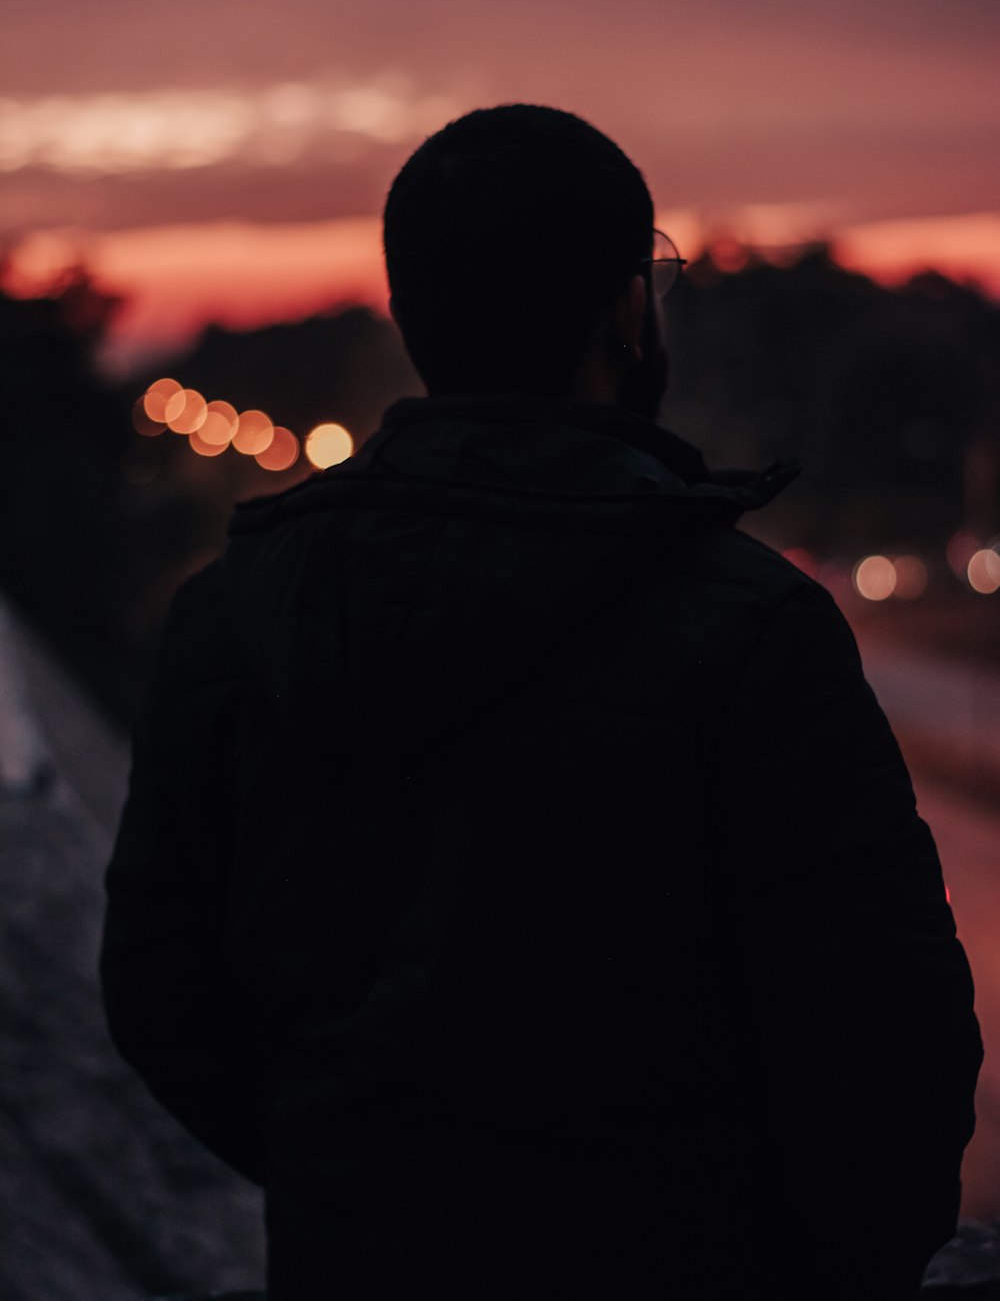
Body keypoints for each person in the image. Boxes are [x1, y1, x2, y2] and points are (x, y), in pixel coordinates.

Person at [101, 104, 981, 1300]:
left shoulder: (229, 620)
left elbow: (160, 992)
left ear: (414, 323)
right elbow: (886, 1054)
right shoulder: (747, 627)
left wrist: (362, 1195)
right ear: (627, 308)